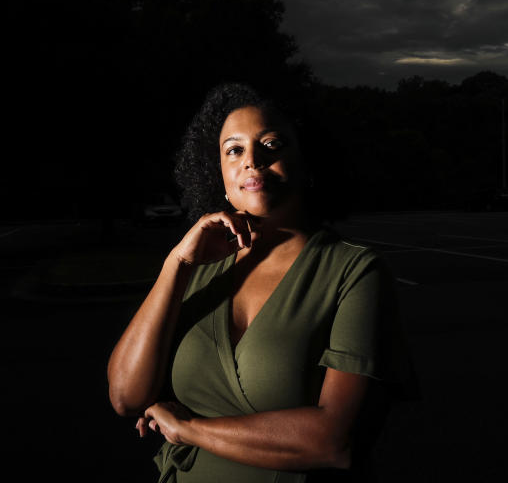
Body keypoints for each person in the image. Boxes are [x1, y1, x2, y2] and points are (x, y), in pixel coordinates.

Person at [107, 83, 414, 482]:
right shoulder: (196, 265)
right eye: (234, 150)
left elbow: (333, 442)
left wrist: (188, 429)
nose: (251, 160)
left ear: (307, 161)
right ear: (216, 171)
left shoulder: (354, 271)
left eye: (272, 144)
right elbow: (127, 397)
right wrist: (177, 263)